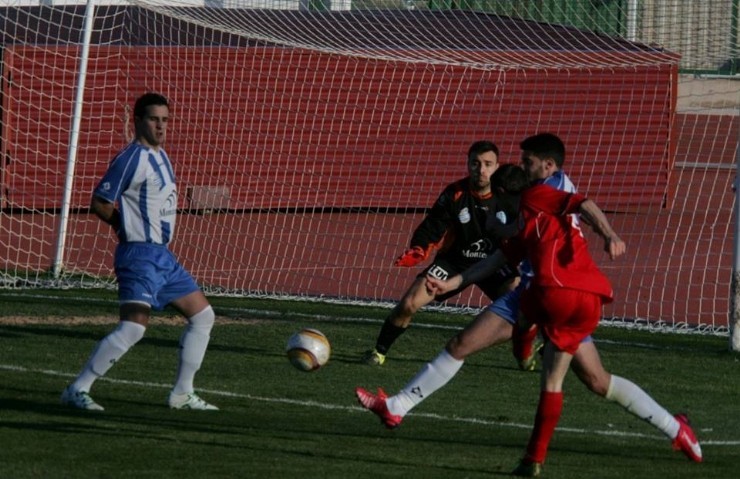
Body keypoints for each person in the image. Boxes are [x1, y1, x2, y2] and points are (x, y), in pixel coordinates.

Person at [355, 136, 702, 475]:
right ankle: (677, 430)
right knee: (597, 380)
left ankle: (525, 454)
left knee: (541, 375)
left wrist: (610, 235)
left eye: (526, 161)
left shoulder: (540, 194)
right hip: (577, 297)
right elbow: (498, 258)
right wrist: (451, 283)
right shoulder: (529, 217)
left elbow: (583, 203)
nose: (521, 166)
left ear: (542, 169)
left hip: (553, 293)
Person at [61, 92, 218, 411]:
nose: (160, 126)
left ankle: (182, 394)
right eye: (153, 119)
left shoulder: (162, 156)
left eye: (165, 120)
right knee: (134, 327)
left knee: (203, 316)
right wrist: (124, 228)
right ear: (137, 121)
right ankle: (77, 389)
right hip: (139, 256)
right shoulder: (131, 158)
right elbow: (100, 202)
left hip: (163, 257)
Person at [362, 140, 518, 366]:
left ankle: (532, 349)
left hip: (493, 264)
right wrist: (419, 248)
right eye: (475, 163)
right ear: (468, 164)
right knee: (409, 303)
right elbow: (433, 225)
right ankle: (379, 352)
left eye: (487, 164)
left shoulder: (506, 196)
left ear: (496, 166)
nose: (481, 170)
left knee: (524, 302)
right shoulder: (455, 193)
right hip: (454, 263)